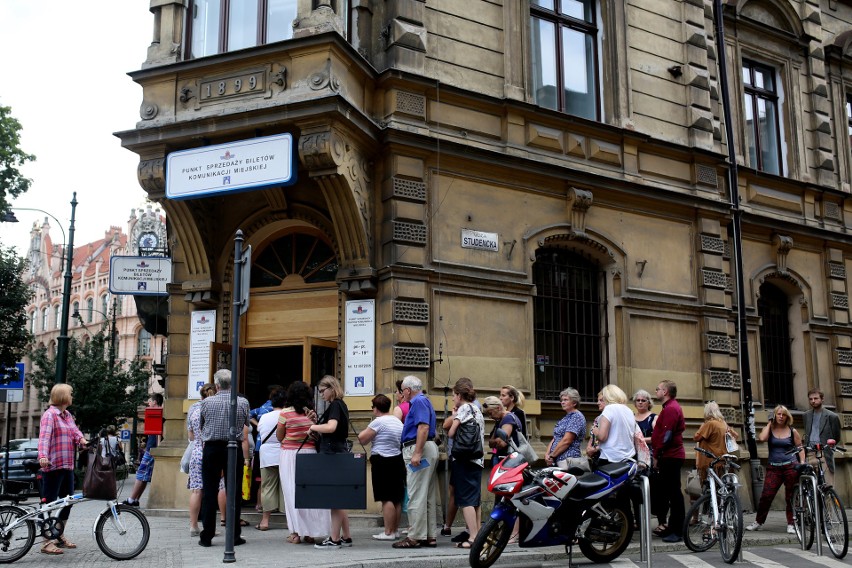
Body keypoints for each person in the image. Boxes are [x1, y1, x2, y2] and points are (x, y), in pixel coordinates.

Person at [198, 369, 251, 548]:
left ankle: (207, 535)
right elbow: (245, 423)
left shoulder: (206, 403)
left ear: (217, 385)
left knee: (210, 491)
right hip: (233, 447)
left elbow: (201, 426)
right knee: (233, 491)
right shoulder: (242, 402)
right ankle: (234, 534)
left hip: (212, 448)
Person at [37, 384, 88, 555]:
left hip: (67, 465)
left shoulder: (67, 416)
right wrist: (43, 456)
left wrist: (82, 440)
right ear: (63, 396)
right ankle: (46, 542)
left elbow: (75, 432)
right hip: (52, 466)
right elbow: (44, 438)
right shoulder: (50, 415)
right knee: (49, 504)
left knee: (68, 502)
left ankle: (58, 534)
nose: (72, 396)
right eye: (71, 393)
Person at [276, 381, 330, 545]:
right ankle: (310, 532)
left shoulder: (285, 414)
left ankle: (295, 533)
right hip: (310, 454)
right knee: (308, 493)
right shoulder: (312, 415)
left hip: (289, 454)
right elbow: (315, 436)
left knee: (291, 493)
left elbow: (280, 436)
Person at [392, 375, 438, 550]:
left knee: (416, 493)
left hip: (418, 449)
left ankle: (414, 536)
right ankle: (429, 535)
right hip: (427, 448)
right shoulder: (425, 401)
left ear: (407, 390)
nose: (402, 393)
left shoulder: (417, 402)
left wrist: (417, 453)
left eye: (403, 390)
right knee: (427, 494)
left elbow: (423, 427)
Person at [309, 375, 353, 549]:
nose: (321, 395)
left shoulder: (335, 404)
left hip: (332, 455)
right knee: (339, 498)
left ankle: (334, 539)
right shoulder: (341, 405)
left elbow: (331, 427)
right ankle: (346, 537)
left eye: (322, 391)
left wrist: (313, 427)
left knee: (334, 499)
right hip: (338, 452)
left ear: (331, 388)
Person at [745, 405, 804, 534]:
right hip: (774, 468)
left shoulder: (792, 431)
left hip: (790, 466)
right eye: (778, 414)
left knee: (791, 496)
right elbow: (762, 438)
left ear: (787, 416)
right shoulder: (770, 429)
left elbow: (800, 447)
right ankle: (758, 521)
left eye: (783, 414)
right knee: (766, 495)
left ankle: (791, 523)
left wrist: (802, 462)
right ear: (775, 415)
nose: (781, 417)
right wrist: (769, 422)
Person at [358, 394, 405, 540]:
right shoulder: (397, 422)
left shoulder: (378, 422)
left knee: (386, 498)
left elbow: (362, 439)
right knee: (397, 498)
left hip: (382, 461)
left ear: (376, 408)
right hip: (397, 460)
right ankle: (395, 530)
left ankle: (388, 532)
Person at [446, 378, 485, 550]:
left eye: (454, 395)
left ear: (460, 395)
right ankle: (477, 534)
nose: (453, 398)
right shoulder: (477, 409)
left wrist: (454, 416)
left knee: (466, 500)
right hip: (477, 459)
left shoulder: (463, 409)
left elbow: (451, 433)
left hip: (464, 459)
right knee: (474, 499)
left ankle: (473, 537)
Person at [651, 380, 685, 543]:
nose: (656, 391)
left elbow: (666, 435)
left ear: (665, 392)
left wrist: (657, 454)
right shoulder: (670, 407)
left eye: (657, 389)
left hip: (671, 456)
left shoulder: (671, 408)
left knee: (674, 494)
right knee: (670, 493)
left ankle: (677, 530)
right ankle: (672, 527)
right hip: (670, 455)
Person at [187, 383, 217, 537]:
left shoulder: (193, 409)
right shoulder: (214, 409)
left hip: (197, 452)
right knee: (213, 490)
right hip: (211, 451)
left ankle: (193, 526)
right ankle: (210, 526)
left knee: (196, 490)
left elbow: (191, 436)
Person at [123, 393, 163, 506]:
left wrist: (156, 449)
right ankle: (135, 500)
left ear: (155, 402)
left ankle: (131, 499)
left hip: (151, 449)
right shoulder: (161, 412)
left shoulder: (156, 412)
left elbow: (158, 433)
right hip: (152, 448)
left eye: (150, 401)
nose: (148, 403)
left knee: (141, 474)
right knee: (145, 476)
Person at [255, 388, 286, 531]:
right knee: (286, 488)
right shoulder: (287, 415)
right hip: (284, 453)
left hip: (267, 455)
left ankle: (265, 521)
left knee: (267, 487)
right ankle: (288, 521)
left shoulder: (264, 417)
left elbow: (261, 433)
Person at [249, 383, 283, 511]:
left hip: (261, 446)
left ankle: (260, 505)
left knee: (263, 481)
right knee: (281, 481)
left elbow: (248, 414)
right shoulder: (284, 411)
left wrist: (257, 424)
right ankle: (280, 508)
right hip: (279, 447)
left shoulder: (261, 408)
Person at [586, 385, 636, 466]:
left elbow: (602, 437)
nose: (598, 402)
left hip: (610, 458)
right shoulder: (629, 410)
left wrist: (595, 431)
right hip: (628, 458)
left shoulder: (609, 408)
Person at [802, 388, 841, 488]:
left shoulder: (832, 416)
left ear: (822, 399)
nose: (813, 401)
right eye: (810, 399)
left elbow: (836, 437)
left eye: (816, 398)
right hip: (810, 453)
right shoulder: (806, 415)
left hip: (824, 453)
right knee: (810, 487)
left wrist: (830, 444)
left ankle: (829, 503)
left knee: (827, 486)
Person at [544, 388, 586, 470]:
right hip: (558, 459)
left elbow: (567, 440)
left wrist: (552, 455)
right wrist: (547, 454)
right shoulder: (565, 418)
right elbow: (555, 438)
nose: (562, 402)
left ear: (574, 402)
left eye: (566, 400)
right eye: (562, 400)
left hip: (568, 459)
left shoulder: (576, 416)